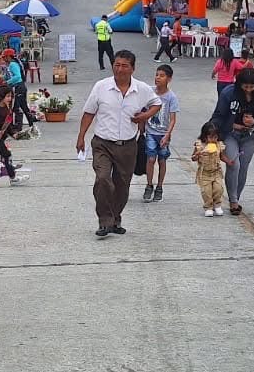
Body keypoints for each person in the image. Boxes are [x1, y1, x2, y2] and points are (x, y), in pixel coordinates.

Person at [76, 49, 159, 237]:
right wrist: (81, 136)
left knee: (122, 186)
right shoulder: (101, 86)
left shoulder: (141, 89)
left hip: (128, 146)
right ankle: (104, 221)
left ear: (133, 69)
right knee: (103, 179)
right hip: (102, 144)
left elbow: (157, 103)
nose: (120, 69)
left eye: (124, 66)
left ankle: (115, 219)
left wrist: (144, 116)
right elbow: (89, 112)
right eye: (117, 65)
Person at [213, 65, 254, 215]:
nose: (248, 90)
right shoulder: (228, 93)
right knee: (234, 165)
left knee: (243, 167)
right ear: (239, 84)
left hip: (250, 135)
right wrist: (214, 132)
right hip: (230, 133)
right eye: (245, 87)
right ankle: (233, 201)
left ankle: (236, 198)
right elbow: (219, 115)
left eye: (252, 87)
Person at [141, 64, 179, 204]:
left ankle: (159, 187)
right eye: (157, 75)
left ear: (169, 79)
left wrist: (167, 135)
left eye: (162, 76)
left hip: (163, 134)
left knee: (162, 160)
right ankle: (149, 185)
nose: (157, 78)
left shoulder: (171, 97)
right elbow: (142, 108)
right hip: (151, 132)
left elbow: (172, 119)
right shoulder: (150, 92)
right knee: (151, 159)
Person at [0, 85, 25, 186]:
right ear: (1, 96)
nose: (10, 99)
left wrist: (13, 133)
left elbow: (7, 124)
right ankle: (13, 177)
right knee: (6, 155)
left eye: (11, 96)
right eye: (7, 96)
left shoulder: (6, 108)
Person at [190, 122, 227, 217]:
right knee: (207, 191)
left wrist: (229, 161)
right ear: (204, 136)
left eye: (215, 137)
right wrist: (197, 155)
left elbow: (222, 156)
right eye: (210, 137)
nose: (213, 140)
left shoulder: (219, 145)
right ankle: (208, 207)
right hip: (205, 173)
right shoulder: (200, 145)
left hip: (216, 171)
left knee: (219, 189)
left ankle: (217, 204)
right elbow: (193, 158)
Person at [3, 48, 38, 131]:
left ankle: (18, 127)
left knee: (16, 107)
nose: (4, 59)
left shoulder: (12, 64)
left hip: (18, 87)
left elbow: (17, 77)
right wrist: (3, 78)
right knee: (24, 106)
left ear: (9, 57)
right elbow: (9, 75)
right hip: (21, 87)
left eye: (5, 57)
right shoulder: (12, 64)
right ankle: (31, 123)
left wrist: (7, 82)